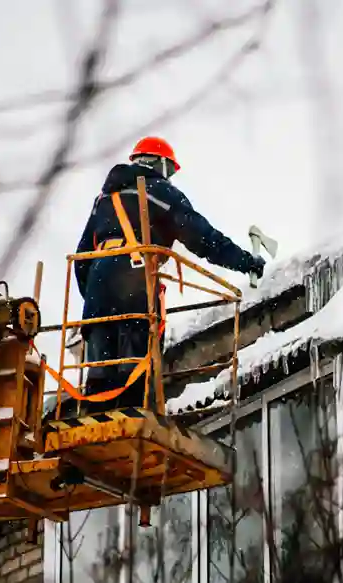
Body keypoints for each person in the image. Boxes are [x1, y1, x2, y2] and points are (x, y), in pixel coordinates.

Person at [71, 136, 266, 415]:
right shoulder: (160, 192)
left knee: (100, 377)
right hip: (134, 282)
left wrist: (96, 295)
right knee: (135, 372)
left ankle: (94, 428)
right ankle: (131, 423)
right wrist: (245, 261)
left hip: (98, 289)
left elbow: (81, 260)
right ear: (160, 165)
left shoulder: (103, 199)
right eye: (170, 171)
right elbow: (203, 239)